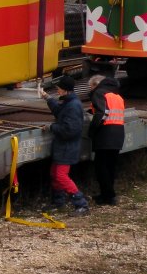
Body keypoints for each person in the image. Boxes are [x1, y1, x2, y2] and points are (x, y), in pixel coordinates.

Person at [40, 74, 89, 215]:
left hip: (67, 148)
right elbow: (59, 112)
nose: (57, 90)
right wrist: (48, 98)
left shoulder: (73, 106)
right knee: (55, 174)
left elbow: (69, 130)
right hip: (62, 147)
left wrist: (51, 127)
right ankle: (58, 202)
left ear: (65, 90)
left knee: (61, 176)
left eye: (59, 88)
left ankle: (81, 204)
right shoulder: (69, 102)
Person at [87, 73, 126, 205]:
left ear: (95, 85)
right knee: (110, 166)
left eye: (90, 87)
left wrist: (92, 129)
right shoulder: (117, 95)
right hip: (118, 132)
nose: (90, 90)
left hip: (105, 134)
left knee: (101, 166)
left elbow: (102, 113)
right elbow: (111, 110)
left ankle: (108, 196)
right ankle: (109, 194)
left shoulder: (99, 93)